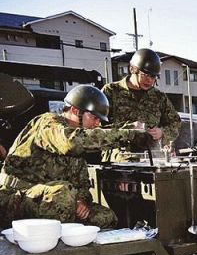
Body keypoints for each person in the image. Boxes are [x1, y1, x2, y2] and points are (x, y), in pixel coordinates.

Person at [0, 84, 148, 228]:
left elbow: (82, 184)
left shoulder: (80, 145)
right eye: (94, 117)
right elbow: (71, 141)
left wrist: (81, 201)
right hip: (17, 198)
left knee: (105, 217)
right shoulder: (47, 124)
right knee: (62, 194)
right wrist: (127, 132)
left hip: (53, 201)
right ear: (76, 111)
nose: (97, 124)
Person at [102, 48, 182, 162]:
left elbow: (176, 123)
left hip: (151, 159)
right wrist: (125, 131)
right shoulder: (111, 91)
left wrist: (162, 133)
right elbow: (95, 126)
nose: (149, 80)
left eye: (153, 77)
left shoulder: (159, 97)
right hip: (118, 159)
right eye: (145, 75)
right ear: (132, 69)